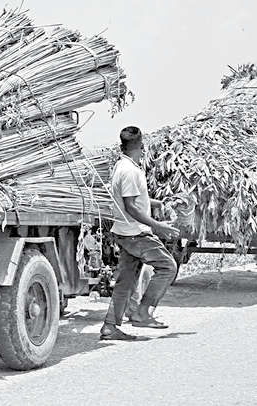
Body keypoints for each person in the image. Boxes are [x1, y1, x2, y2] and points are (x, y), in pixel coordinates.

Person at [100, 126, 180, 341]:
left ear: (122, 146)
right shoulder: (131, 172)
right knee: (168, 267)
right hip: (136, 234)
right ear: (142, 146)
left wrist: (155, 203)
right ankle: (143, 312)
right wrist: (159, 226)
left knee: (125, 282)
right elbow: (131, 207)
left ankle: (110, 327)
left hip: (124, 233)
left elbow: (133, 199)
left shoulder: (121, 166)